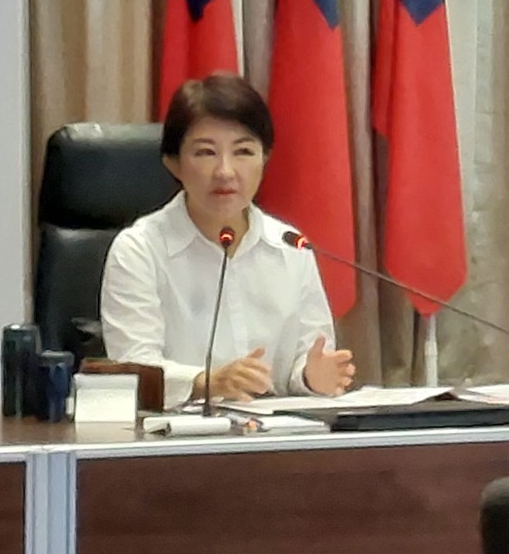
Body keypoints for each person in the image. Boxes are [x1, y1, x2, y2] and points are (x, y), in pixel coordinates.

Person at [100, 73, 355, 409]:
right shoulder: (139, 251)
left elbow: (306, 359)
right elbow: (134, 368)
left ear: (265, 158)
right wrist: (206, 382)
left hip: (278, 433)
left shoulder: (291, 247)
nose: (225, 171)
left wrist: (311, 376)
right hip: (176, 434)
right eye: (206, 153)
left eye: (243, 152)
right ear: (174, 164)